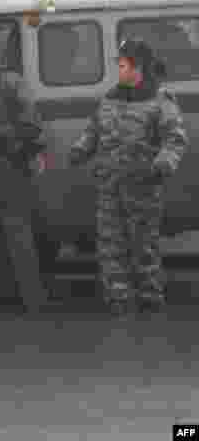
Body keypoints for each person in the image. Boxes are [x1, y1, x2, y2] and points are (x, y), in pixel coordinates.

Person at [69, 38, 188, 318]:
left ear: (140, 68)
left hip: (143, 188)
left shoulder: (159, 99)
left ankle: (150, 301)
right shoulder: (110, 99)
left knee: (144, 247)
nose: (119, 71)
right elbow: (93, 131)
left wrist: (162, 164)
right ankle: (118, 300)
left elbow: (175, 139)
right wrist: (80, 149)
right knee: (110, 247)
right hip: (109, 187)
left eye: (123, 65)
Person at [0, 26, 48, 315]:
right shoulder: (11, 82)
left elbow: (29, 128)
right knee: (14, 233)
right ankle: (28, 298)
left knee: (0, 234)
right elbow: (31, 126)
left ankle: (3, 299)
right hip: (5, 163)